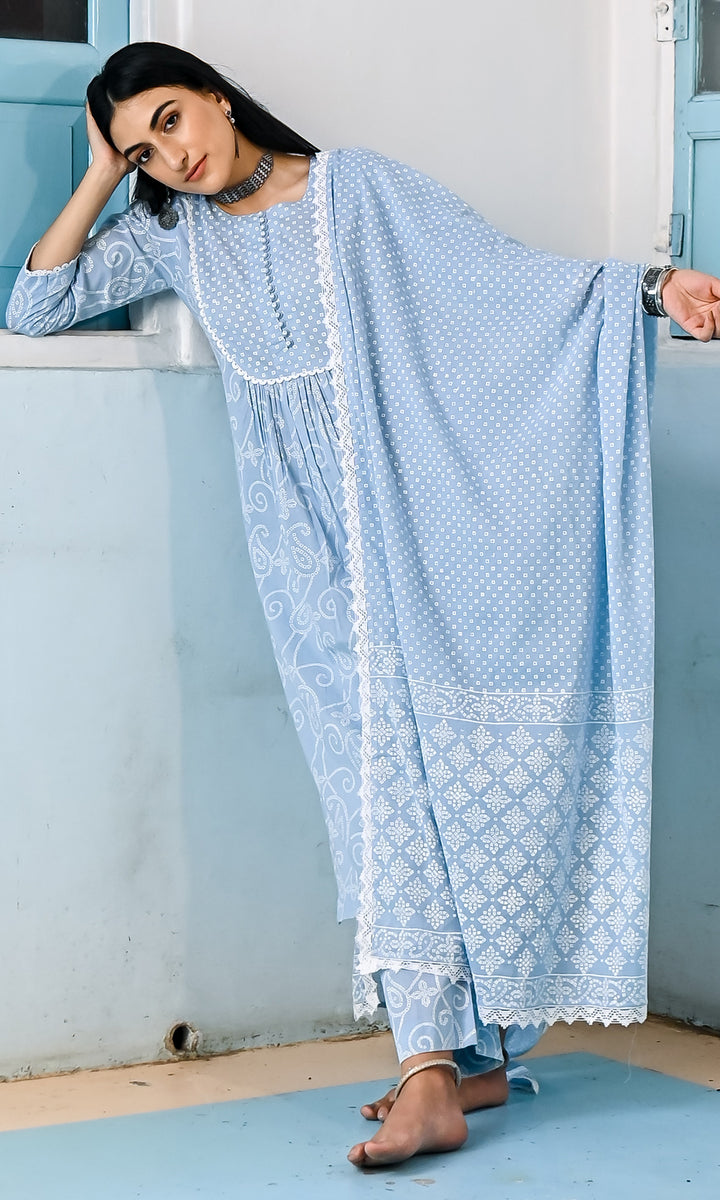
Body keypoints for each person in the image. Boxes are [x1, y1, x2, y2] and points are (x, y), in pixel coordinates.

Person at [6, 41, 720, 1169]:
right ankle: (438, 1061)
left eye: (171, 121)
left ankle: (456, 1064)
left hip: (421, 519)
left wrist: (650, 287)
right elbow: (37, 304)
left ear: (217, 98)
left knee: (448, 769)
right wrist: (100, 174)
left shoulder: (358, 193)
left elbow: (500, 281)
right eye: (143, 149)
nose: (169, 158)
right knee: (373, 790)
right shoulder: (171, 235)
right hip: (306, 551)